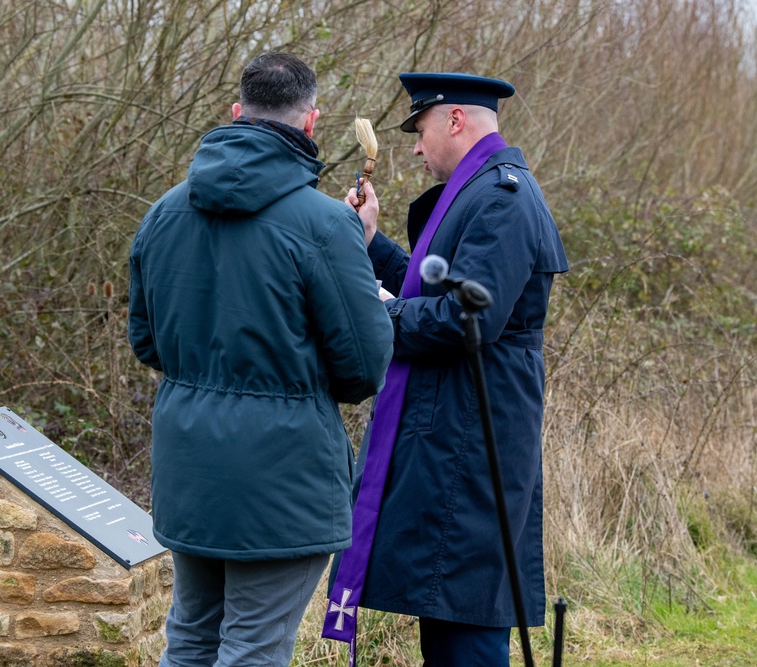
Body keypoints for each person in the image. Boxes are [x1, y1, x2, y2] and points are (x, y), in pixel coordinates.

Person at [128, 53, 394, 667]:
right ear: (311, 123)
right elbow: (362, 368)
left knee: (191, 635)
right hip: (284, 472)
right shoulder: (327, 227)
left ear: (235, 113)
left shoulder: (164, 214)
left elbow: (147, 343)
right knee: (254, 646)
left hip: (189, 464)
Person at [324, 72, 568, 666]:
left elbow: (467, 317)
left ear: (454, 120)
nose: (413, 145)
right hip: (454, 435)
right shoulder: (479, 190)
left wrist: (381, 313)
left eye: (420, 128)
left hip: (474, 442)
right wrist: (373, 244)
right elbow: (434, 283)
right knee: (447, 610)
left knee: (466, 620)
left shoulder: (500, 197)